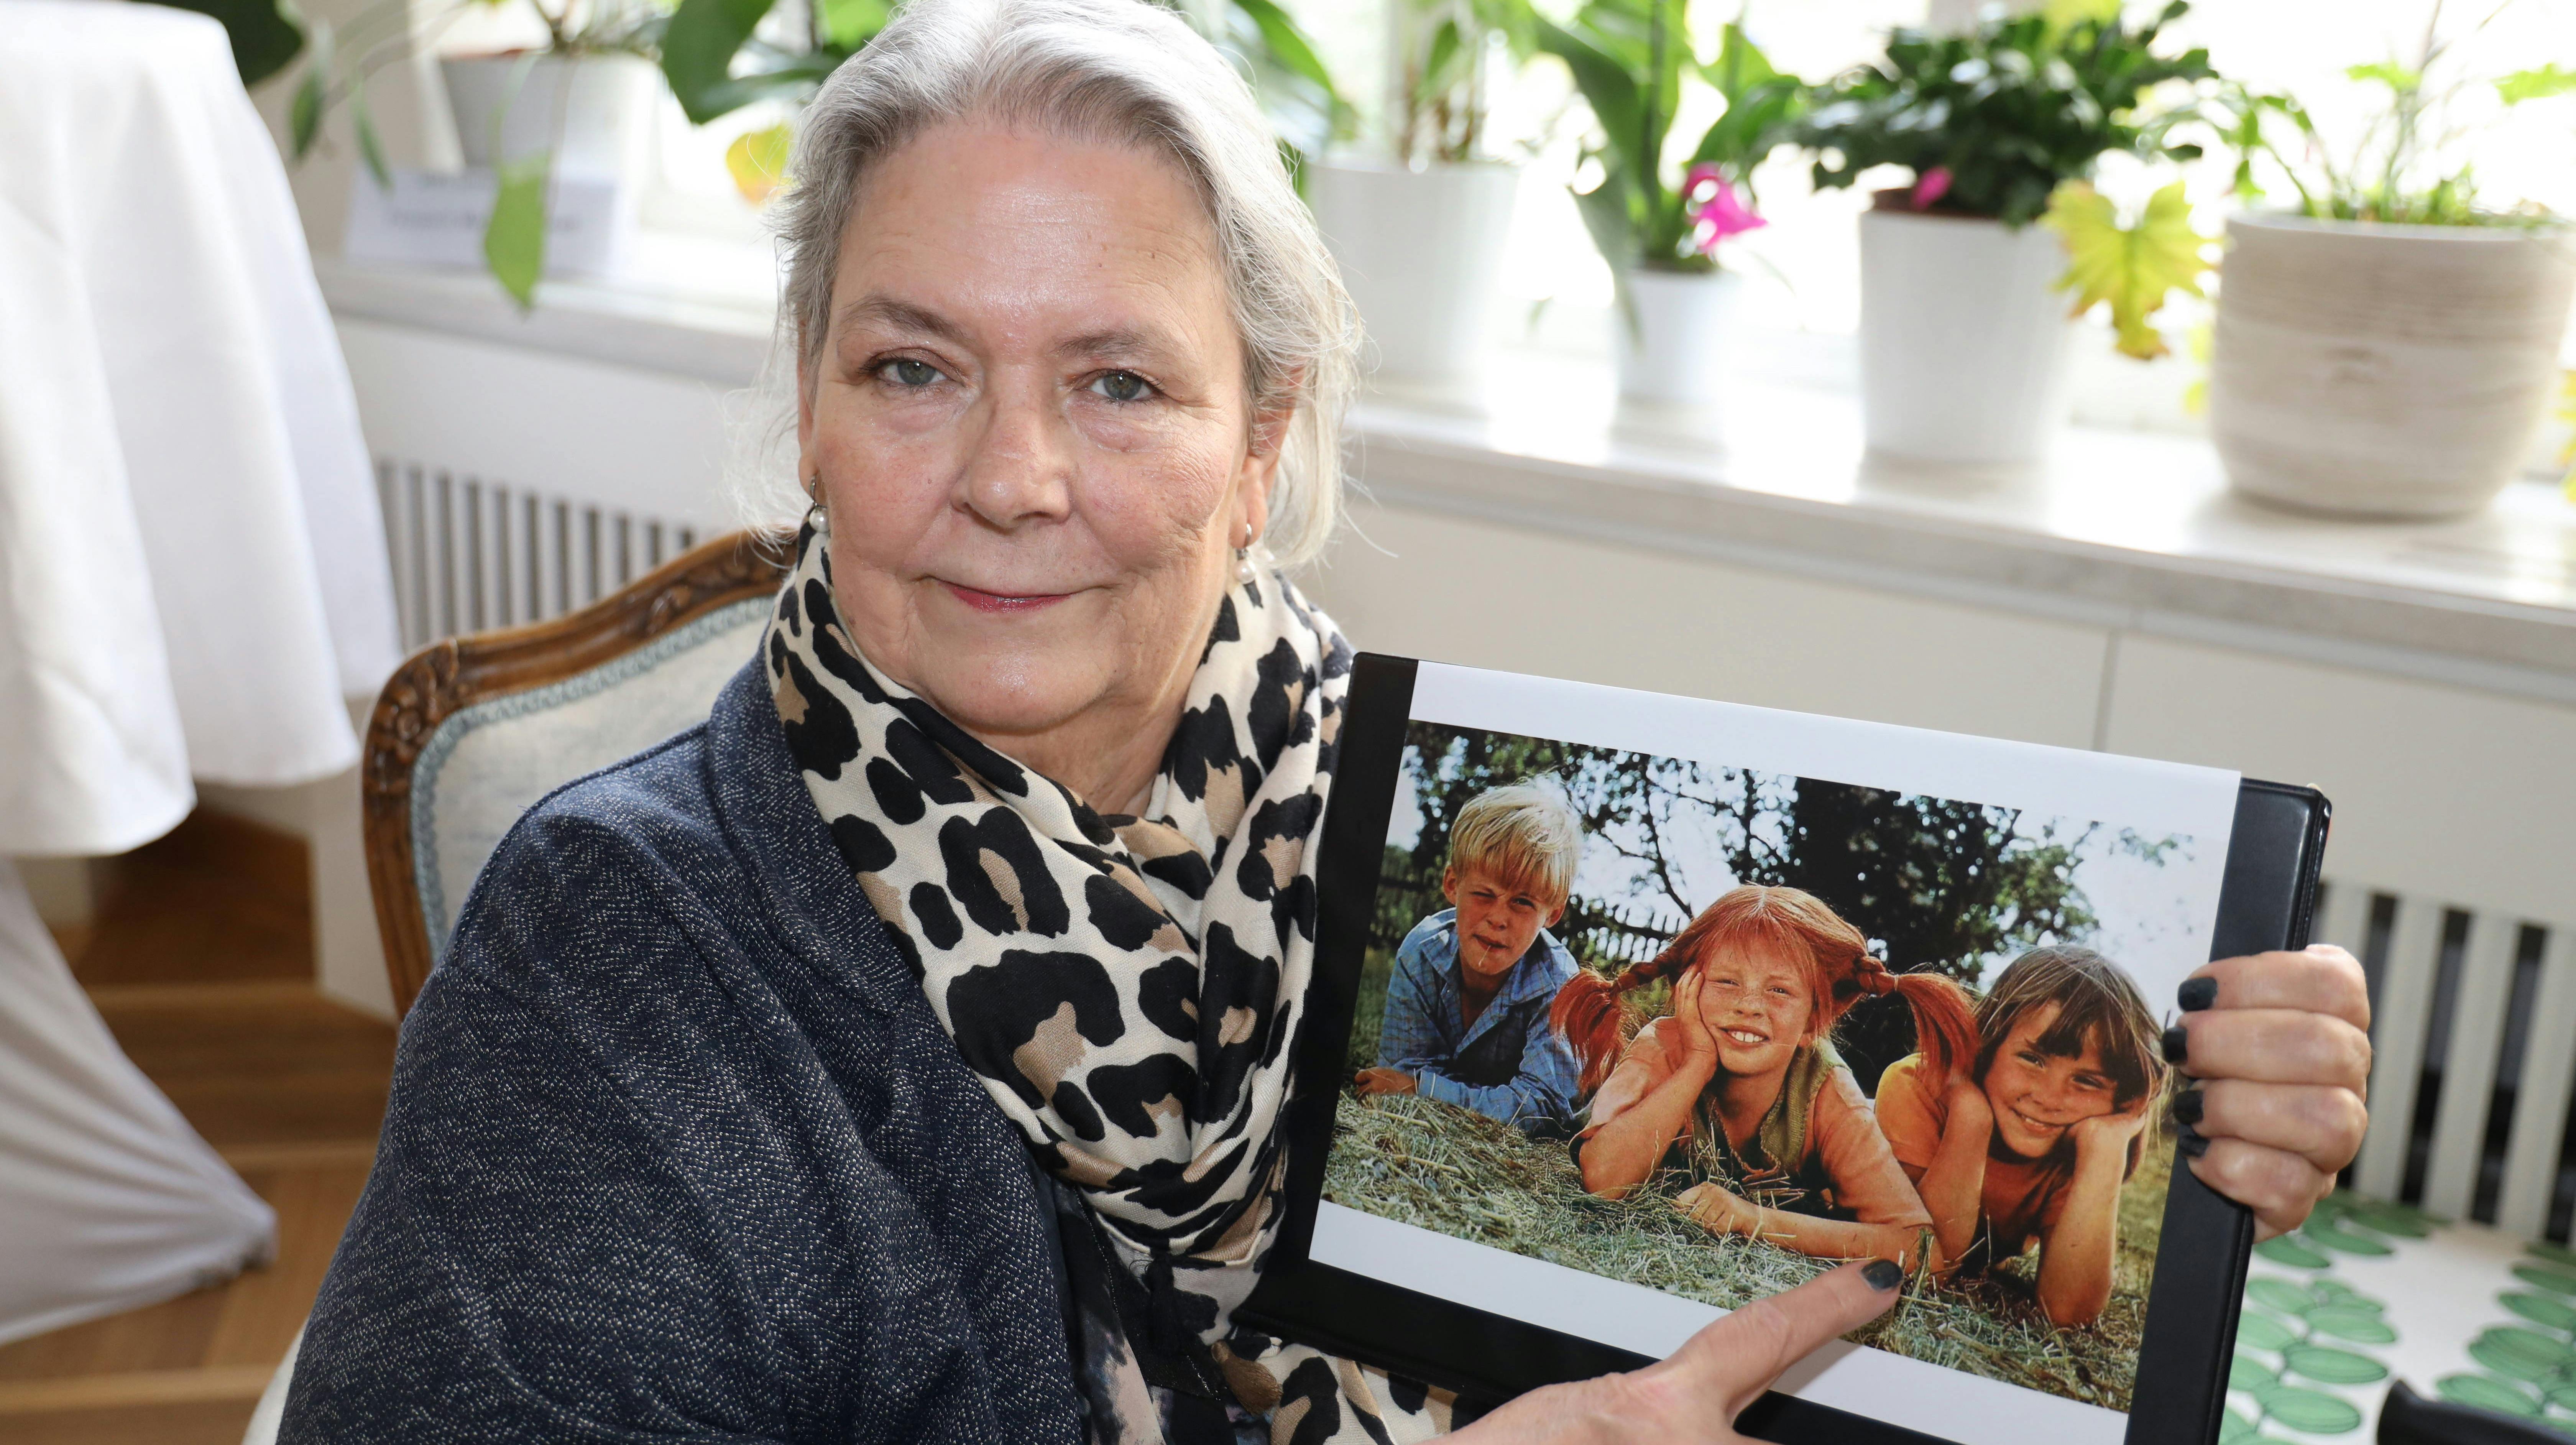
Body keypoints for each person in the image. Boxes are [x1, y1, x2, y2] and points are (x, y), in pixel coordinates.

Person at [276, 0, 2377, 1438]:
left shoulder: (1351, 792)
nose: (1011, 476)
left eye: (1118, 381)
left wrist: (2197, 1140)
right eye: (915, 367)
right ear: (810, 408)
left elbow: (1726, 1316)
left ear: (1262, 436)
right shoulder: (616, 960)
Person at [1553, 886, 1973, 1265]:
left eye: (1779, 990)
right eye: (1726, 982)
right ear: (1688, 990)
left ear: (1813, 1021)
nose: (1750, 1005)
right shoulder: (1664, 1046)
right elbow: (1604, 1181)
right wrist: (1698, 1062)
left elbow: (1920, 1249)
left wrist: (1753, 1219)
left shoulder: (1827, 1089)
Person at [1873, 945, 2170, 1327]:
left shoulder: (2076, 1148)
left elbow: (2068, 1313)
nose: (2049, 1097)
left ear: (2122, 1100)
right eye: (2033, 1059)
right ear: (1988, 1042)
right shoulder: (1919, 1086)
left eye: (2087, 1081)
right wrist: (1971, 1117)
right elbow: (1925, 1261)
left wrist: (2106, 1150)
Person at [1355, 784, 1587, 1134]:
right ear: (1453, 884)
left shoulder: (1560, 984)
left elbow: (1543, 1108)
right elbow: (1404, 1071)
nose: (1498, 918)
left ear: (1553, 913)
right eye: (1484, 894)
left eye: (1523, 902)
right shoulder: (1422, 954)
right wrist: (1424, 1086)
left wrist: (1424, 1089)